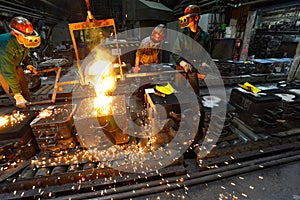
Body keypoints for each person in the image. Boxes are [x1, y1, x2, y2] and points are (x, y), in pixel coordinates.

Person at [0, 16, 40, 108]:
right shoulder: (5, 45)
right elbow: (8, 72)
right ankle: (20, 112)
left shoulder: (23, 41)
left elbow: (23, 53)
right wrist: (17, 94)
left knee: (25, 91)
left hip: (12, 65)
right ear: (15, 34)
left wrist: (28, 64)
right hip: (2, 69)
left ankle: (28, 105)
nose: (28, 39)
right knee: (15, 94)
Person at [172, 4, 211, 95]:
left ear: (196, 18)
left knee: (195, 92)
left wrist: (205, 63)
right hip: (181, 67)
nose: (186, 20)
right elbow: (175, 51)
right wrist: (182, 62)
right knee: (178, 92)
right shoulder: (183, 35)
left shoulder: (205, 36)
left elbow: (207, 54)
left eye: (188, 18)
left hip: (194, 67)